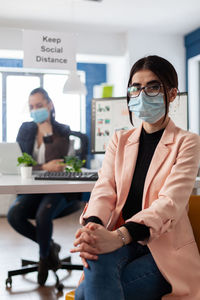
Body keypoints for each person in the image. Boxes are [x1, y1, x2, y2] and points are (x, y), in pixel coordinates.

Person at [70, 55, 200, 300]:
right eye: (136, 87)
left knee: (85, 294)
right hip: (117, 239)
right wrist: (94, 225)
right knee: (98, 259)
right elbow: (104, 188)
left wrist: (120, 236)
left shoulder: (187, 142)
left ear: (172, 94)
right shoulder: (119, 140)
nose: (142, 94)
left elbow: (168, 203)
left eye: (153, 86)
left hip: (163, 249)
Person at [7, 87, 80, 286]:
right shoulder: (26, 129)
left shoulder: (63, 130)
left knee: (43, 215)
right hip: (32, 189)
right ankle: (49, 247)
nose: (35, 110)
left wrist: (48, 135)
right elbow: (20, 162)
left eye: (39, 105)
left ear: (50, 105)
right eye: (31, 107)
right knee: (14, 215)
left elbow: (57, 165)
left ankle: (43, 259)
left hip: (56, 189)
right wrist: (42, 167)